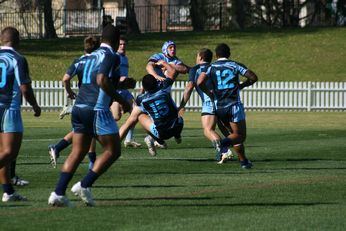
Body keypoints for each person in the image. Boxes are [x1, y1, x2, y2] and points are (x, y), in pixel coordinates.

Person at [48, 24, 130, 207]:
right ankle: (84, 185)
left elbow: (97, 81)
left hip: (79, 108)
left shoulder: (86, 58)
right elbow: (101, 80)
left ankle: (58, 192)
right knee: (113, 150)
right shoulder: (112, 56)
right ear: (117, 42)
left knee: (78, 151)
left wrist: (121, 86)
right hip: (97, 109)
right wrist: (123, 101)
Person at [197, 43, 258, 168]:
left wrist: (209, 93)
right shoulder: (235, 65)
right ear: (229, 54)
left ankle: (244, 162)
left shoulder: (211, 67)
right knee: (240, 136)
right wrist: (242, 85)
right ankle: (222, 144)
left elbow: (200, 81)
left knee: (232, 134)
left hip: (219, 107)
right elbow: (253, 77)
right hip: (233, 104)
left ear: (216, 55)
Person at [0, 26, 41, 202]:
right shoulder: (17, 58)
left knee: (3, 153)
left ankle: (8, 192)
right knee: (10, 152)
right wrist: (35, 105)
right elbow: (25, 88)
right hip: (9, 108)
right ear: (17, 40)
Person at [48, 36, 100, 168]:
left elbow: (65, 79)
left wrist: (69, 92)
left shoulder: (78, 61)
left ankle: (57, 147)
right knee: (92, 132)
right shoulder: (99, 60)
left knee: (81, 132)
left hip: (79, 103)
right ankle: (92, 162)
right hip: (93, 100)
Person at [178, 48, 233, 164]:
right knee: (223, 127)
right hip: (223, 101)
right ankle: (237, 148)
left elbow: (189, 87)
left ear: (200, 57)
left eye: (197, 56)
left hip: (210, 102)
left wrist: (182, 105)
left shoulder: (196, 69)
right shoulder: (214, 67)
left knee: (208, 130)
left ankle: (224, 150)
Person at [126, 60, 183, 156]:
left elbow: (138, 101)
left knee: (139, 115)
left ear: (144, 87)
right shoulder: (164, 87)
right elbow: (172, 72)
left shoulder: (141, 99)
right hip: (177, 126)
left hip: (162, 133)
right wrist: (164, 63)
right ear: (156, 83)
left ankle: (159, 141)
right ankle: (177, 136)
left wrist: (142, 91)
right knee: (178, 117)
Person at [110, 35, 141, 148]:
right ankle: (73, 110)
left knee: (136, 112)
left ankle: (128, 139)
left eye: (124, 44)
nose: (123, 46)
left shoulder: (125, 58)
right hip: (115, 91)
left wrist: (127, 81)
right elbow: (110, 76)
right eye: (120, 44)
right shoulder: (114, 57)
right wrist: (120, 80)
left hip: (125, 91)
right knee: (116, 117)